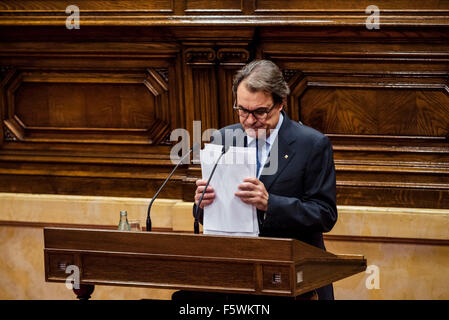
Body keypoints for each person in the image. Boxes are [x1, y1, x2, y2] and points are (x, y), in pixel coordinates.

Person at [193, 59, 338, 300]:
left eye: (260, 112)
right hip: (238, 278)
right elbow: (207, 214)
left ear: (281, 103)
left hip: (293, 280)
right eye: (242, 110)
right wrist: (202, 203)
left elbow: (324, 215)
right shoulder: (223, 139)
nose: (249, 120)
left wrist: (271, 203)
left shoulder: (311, 145)